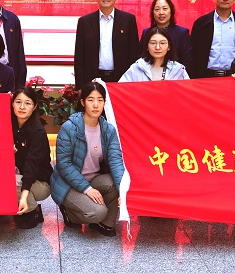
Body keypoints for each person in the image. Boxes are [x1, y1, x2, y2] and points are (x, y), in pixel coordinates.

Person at [51, 82, 124, 237]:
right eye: (91, 100)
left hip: (95, 179)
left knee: (115, 183)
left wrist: (123, 191)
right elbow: (64, 164)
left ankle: (104, 223)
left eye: (100, 100)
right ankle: (70, 213)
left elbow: (116, 161)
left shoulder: (108, 130)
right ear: (83, 102)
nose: (96, 105)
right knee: (98, 212)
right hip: (69, 183)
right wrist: (87, 189)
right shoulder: (69, 128)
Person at [73, 0, 140, 88]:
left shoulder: (128, 20)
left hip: (122, 79)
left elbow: (134, 53)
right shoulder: (84, 22)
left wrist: (133, 83)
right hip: (93, 79)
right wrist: (80, 86)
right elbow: (79, 56)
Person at [12, 87, 53, 229]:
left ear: (34, 106)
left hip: (39, 181)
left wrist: (24, 197)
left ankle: (33, 209)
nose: (22, 107)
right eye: (18, 102)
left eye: (28, 103)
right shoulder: (9, 124)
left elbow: (32, 166)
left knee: (10, 184)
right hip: (18, 175)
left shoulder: (37, 132)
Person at [141, 0, 193, 72]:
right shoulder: (146, 33)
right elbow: (142, 57)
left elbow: (187, 60)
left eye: (165, 9)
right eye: (157, 9)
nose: (161, 13)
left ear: (171, 11)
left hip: (176, 75)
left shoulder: (182, 33)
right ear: (153, 12)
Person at [119, 27, 189, 82]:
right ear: (147, 46)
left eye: (162, 43)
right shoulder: (136, 68)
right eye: (153, 43)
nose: (157, 47)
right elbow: (121, 90)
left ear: (169, 47)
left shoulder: (178, 70)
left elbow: (187, 92)